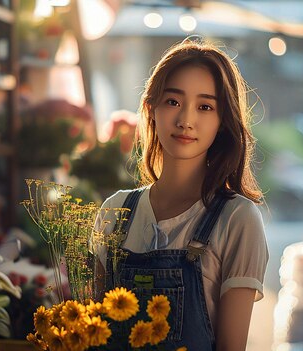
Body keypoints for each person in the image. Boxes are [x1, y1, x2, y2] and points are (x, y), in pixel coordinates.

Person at [94, 38, 269, 351]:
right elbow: (94, 329)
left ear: (222, 121)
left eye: (205, 107)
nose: (186, 120)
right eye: (173, 101)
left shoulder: (238, 220)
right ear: (151, 107)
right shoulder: (114, 211)